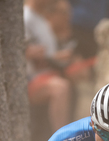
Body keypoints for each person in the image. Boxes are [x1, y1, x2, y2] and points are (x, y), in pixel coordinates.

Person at [25, 0, 73, 131]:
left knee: (74, 77)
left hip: (44, 75)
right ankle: (61, 139)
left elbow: (46, 53)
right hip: (29, 79)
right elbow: (27, 53)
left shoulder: (41, 19)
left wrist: (59, 56)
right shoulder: (26, 18)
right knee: (61, 88)